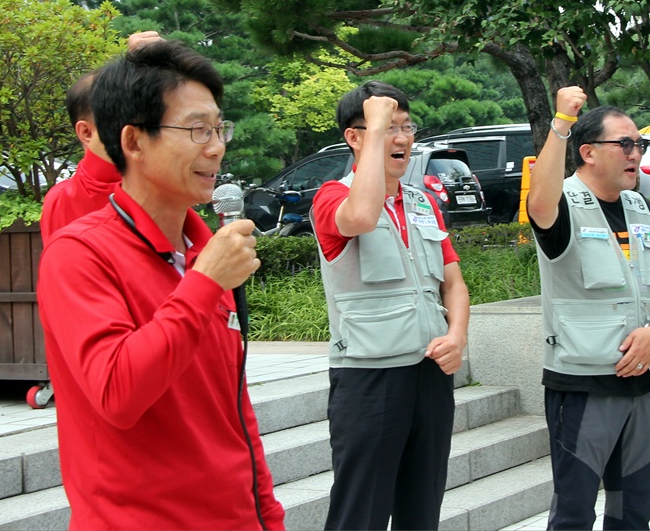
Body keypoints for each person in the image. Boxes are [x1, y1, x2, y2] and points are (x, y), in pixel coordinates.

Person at [37, 40, 285, 530]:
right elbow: (118, 393)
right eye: (196, 129)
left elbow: (231, 410)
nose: (216, 146)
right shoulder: (78, 254)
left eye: (219, 127)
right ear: (133, 141)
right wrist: (203, 283)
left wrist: (266, 515)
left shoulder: (203, 248)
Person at [311, 81, 470, 530]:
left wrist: (456, 335)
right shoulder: (332, 196)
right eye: (387, 128)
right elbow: (360, 218)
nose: (401, 139)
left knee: (422, 511)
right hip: (369, 379)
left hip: (429, 373)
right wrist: (374, 125)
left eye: (407, 127)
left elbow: (453, 284)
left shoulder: (422, 202)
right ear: (354, 137)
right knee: (361, 512)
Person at [526, 86, 650, 530]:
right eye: (625, 144)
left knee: (633, 513)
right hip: (582, 387)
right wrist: (561, 123)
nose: (636, 153)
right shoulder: (563, 204)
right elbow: (539, 202)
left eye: (640, 144)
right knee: (574, 513)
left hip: (640, 384)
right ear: (589, 152)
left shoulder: (637, 205)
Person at [40, 31, 162, 242]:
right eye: (125, 117)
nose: (138, 132)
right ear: (87, 132)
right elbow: (103, 176)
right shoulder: (67, 198)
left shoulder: (156, 182)